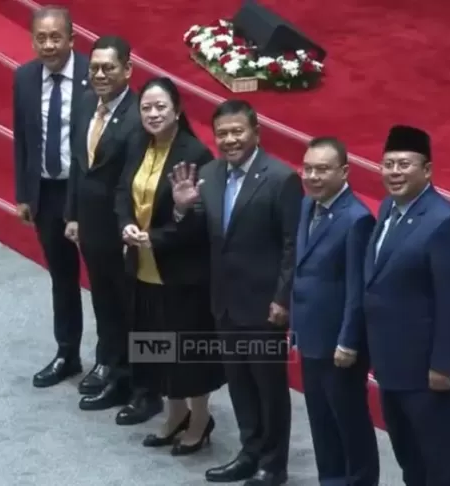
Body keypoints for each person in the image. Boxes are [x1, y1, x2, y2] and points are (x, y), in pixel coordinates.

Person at [170, 100, 302, 486]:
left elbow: (293, 245)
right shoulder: (209, 174)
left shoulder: (280, 178)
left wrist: (283, 298)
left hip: (264, 307)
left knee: (269, 388)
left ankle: (273, 464)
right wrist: (181, 211)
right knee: (241, 385)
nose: (229, 140)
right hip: (225, 303)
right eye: (222, 133)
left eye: (237, 132)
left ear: (256, 132)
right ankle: (250, 452)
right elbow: (205, 234)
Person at [364, 125, 450, 485]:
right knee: (411, 459)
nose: (394, 172)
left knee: (442, 465)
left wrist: (442, 367)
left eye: (404, 164)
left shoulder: (444, 224)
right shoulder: (389, 208)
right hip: (394, 366)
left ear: (427, 170)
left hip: (430, 374)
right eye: (388, 164)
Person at [114, 77, 225, 446]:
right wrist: (126, 224)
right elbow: (121, 192)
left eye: (161, 106)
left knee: (187, 352)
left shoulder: (195, 154)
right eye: (146, 107)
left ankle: (201, 419)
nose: (153, 113)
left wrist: (157, 236)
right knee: (156, 348)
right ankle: (175, 414)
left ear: (177, 110)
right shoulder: (137, 144)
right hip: (142, 268)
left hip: (182, 272)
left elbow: (199, 220)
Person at [291, 137, 379, 485]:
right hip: (310, 337)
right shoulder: (306, 206)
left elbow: (358, 289)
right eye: (308, 168)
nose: (312, 176)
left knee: (349, 423)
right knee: (321, 421)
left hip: (339, 346)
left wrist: (348, 341)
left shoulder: (356, 219)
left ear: (344, 171)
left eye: (322, 170)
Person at [65, 35, 145, 413]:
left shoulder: (138, 114)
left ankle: (132, 378)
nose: (99, 74)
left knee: (130, 305)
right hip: (92, 227)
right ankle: (108, 361)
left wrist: (127, 226)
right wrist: (73, 214)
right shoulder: (84, 104)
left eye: (108, 67)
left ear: (127, 69)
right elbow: (78, 166)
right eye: (94, 67)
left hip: (123, 230)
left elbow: (133, 178)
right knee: (103, 299)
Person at [12, 6, 90, 389]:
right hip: (47, 191)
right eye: (41, 38)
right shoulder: (25, 77)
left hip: (89, 195)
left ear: (71, 39)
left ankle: (115, 363)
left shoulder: (95, 75)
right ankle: (67, 353)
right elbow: (23, 138)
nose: (48, 45)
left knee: (109, 281)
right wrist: (24, 194)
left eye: (55, 37)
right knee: (62, 277)